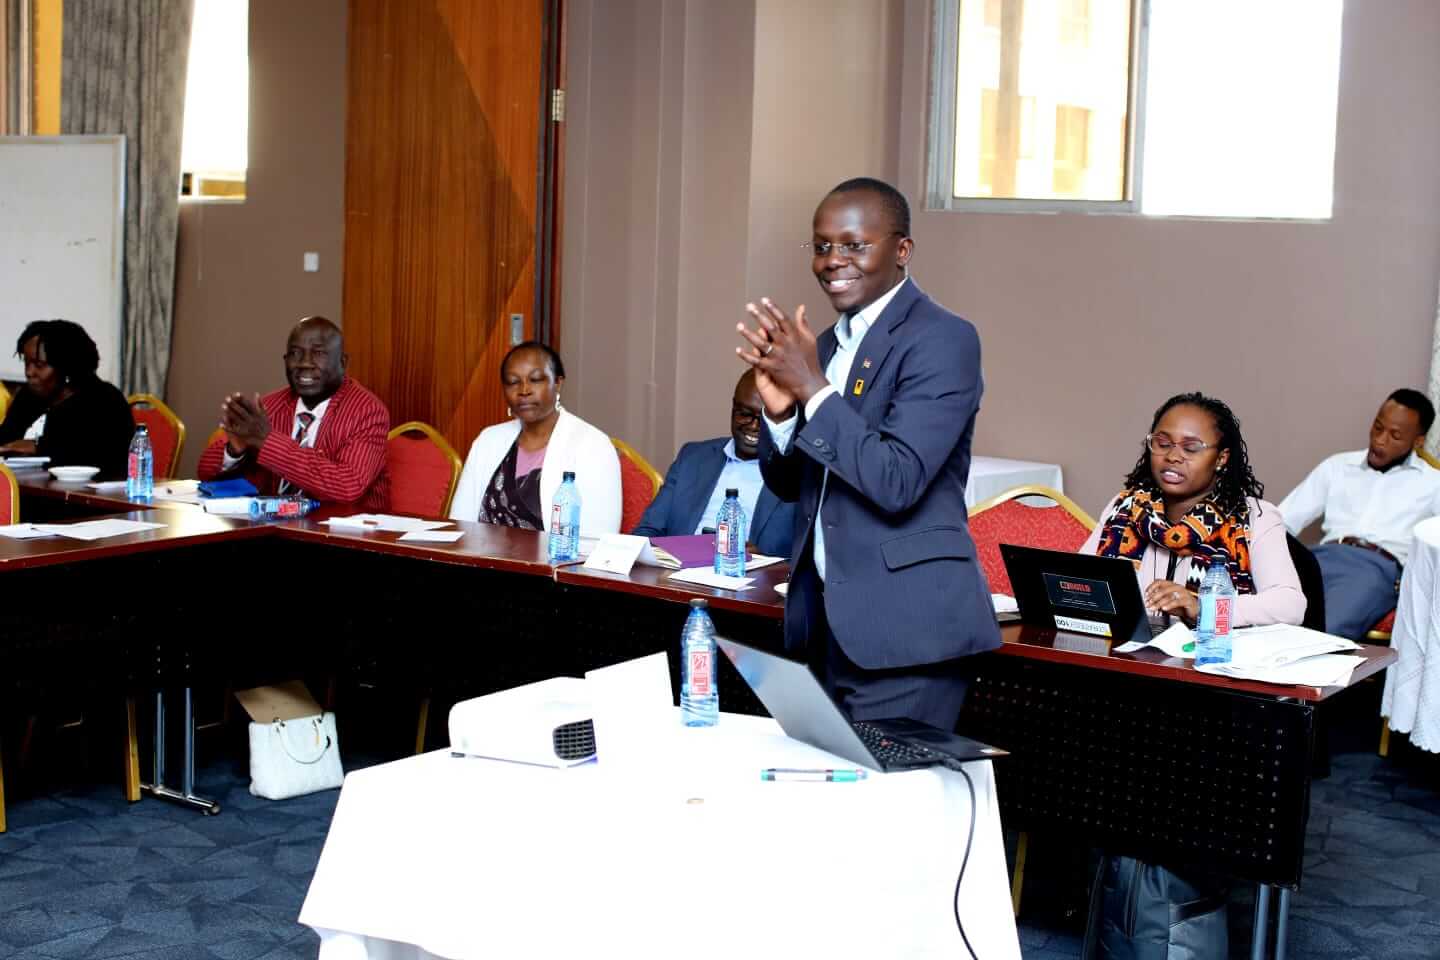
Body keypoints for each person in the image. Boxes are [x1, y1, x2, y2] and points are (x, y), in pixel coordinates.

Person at [734, 177, 997, 731]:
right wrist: (781, 416)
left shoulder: (943, 339)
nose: (834, 261)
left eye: (855, 245)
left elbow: (896, 479)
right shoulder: (824, 346)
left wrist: (812, 389)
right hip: (824, 628)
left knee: (890, 809)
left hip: (907, 636)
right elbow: (795, 487)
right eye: (823, 245)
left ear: (901, 250)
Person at [1081, 392, 1305, 628]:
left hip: (1211, 658)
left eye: (1191, 448)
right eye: (1163, 443)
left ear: (1221, 458)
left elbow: (1290, 605)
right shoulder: (1124, 508)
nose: (1173, 456)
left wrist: (1203, 608)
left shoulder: (1255, 516)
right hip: (1126, 655)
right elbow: (1078, 578)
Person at [1277, 389, 1440, 639]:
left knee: (1320, 636)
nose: (1380, 440)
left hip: (1375, 569)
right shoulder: (1338, 466)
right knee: (1267, 621)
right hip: (1319, 557)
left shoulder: (1432, 484)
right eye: (1377, 427)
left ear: (1418, 441)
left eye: (1395, 435)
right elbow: (1282, 521)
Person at [197, 316, 391, 510]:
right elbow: (204, 472)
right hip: (274, 530)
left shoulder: (368, 412)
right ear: (285, 360)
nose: (305, 363)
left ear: (342, 362)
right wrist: (234, 449)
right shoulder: (269, 406)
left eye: (318, 353)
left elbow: (347, 487)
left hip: (343, 533)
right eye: (295, 354)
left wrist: (266, 440)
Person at [450, 341, 621, 536]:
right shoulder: (488, 440)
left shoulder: (593, 446)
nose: (524, 390)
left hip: (556, 565)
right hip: (479, 562)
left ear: (558, 382)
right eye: (513, 382)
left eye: (536, 379)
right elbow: (460, 523)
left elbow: (598, 537)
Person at [631, 369, 795, 558]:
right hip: (677, 576)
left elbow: (812, 560)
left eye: (764, 419)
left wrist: (764, 559)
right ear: (733, 407)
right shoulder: (693, 458)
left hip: (750, 579)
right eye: (744, 414)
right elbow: (647, 531)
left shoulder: (798, 472)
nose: (753, 426)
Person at [0, 319, 134, 477]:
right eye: (27, 363)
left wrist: (39, 447)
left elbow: (96, 457)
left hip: (89, 496)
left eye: (39, 365)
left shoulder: (105, 401)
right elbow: (6, 438)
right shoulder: (29, 396)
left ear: (67, 367)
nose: (29, 372)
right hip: (27, 492)